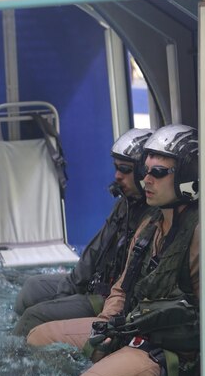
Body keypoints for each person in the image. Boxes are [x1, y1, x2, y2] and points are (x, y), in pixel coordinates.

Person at [26, 124, 199, 376]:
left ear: (187, 176)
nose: (147, 181)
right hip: (128, 328)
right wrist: (104, 325)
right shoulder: (149, 227)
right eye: (146, 172)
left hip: (170, 351)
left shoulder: (199, 235)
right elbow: (121, 288)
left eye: (158, 173)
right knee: (39, 336)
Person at [12, 128, 153, 336]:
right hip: (97, 283)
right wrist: (67, 290)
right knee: (32, 287)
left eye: (124, 169)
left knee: (34, 316)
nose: (117, 176)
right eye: (116, 168)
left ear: (143, 172)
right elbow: (94, 253)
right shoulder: (126, 205)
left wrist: (64, 300)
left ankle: (11, 357)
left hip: (108, 299)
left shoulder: (154, 217)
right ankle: (14, 335)